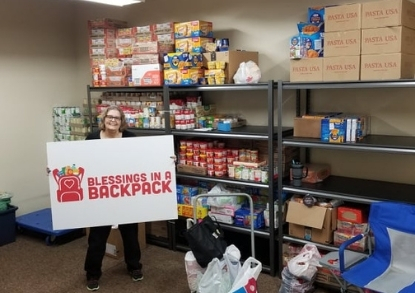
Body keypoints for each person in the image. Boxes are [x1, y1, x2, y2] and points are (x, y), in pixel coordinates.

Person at [84, 105, 143, 291]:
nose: (113, 120)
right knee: (97, 237)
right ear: (103, 119)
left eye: (117, 118)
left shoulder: (130, 138)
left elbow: (143, 160)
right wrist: (54, 168)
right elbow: (80, 162)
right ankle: (93, 274)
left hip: (125, 193)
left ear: (122, 121)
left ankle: (134, 266)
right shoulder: (92, 138)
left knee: (130, 234)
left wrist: (167, 160)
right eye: (110, 117)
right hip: (101, 195)